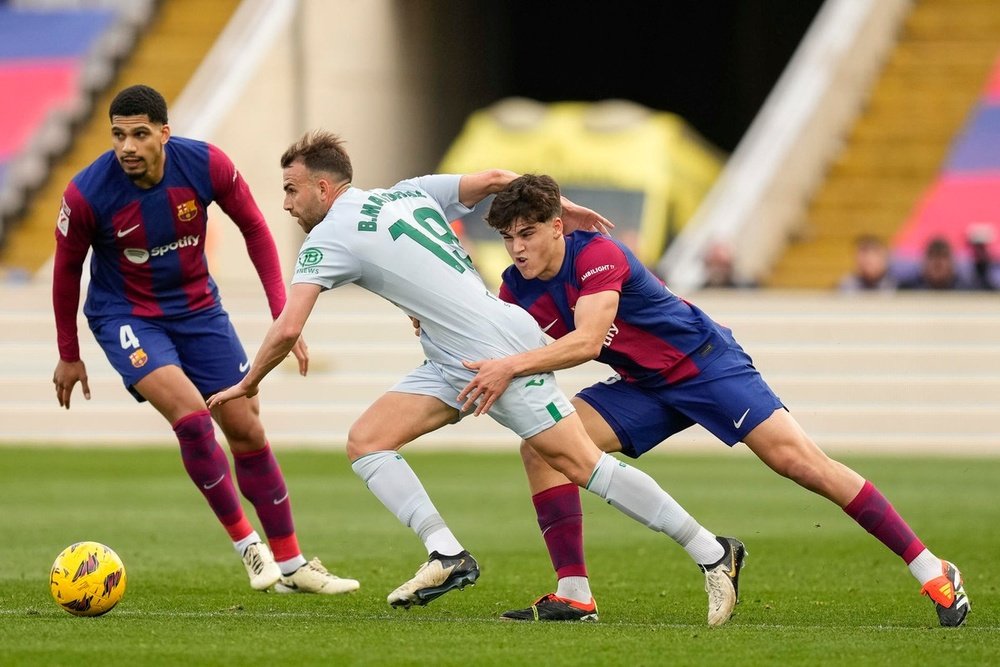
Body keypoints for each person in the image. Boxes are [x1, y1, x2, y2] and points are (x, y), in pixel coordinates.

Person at [207, 130, 747, 626]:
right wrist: (565, 206)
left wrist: (247, 383)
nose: (286, 203)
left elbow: (287, 329)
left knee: (581, 463)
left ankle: (711, 550)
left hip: (492, 352)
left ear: (324, 187)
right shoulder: (407, 192)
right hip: (452, 356)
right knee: (368, 441)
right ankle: (447, 553)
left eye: (292, 190)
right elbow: (492, 180)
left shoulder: (327, 240)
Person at [458, 174, 970, 628]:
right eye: (507, 237)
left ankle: (931, 567)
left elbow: (588, 342)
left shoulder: (596, 254)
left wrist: (508, 366)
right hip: (645, 385)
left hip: (706, 364)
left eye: (526, 233)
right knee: (543, 448)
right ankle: (574, 595)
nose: (517, 248)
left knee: (799, 462)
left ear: (556, 226)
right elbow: (495, 339)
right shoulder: (514, 287)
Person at [51, 85, 358, 595]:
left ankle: (293, 565)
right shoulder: (86, 194)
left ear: (164, 134)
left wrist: (283, 313)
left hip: (199, 311)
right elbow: (65, 272)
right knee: (193, 419)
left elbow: (256, 229)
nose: (128, 146)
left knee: (247, 430)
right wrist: (69, 353)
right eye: (119, 135)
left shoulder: (205, 165)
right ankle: (249, 548)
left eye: (140, 134)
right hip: (126, 315)